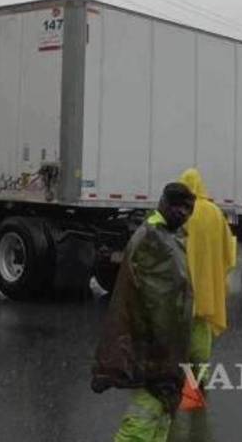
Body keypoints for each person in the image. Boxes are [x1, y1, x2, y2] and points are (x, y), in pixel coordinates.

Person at [92, 182, 197, 442]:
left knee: (160, 416)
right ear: (163, 203)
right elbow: (160, 307)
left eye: (188, 208)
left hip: (159, 349)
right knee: (144, 416)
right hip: (153, 350)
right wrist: (165, 356)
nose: (183, 213)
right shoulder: (154, 238)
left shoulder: (167, 235)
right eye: (178, 206)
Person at [177, 168, 237, 386]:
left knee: (178, 329)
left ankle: (180, 378)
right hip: (206, 284)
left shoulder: (180, 211)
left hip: (181, 283)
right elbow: (228, 251)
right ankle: (201, 378)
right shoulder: (214, 212)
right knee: (202, 329)